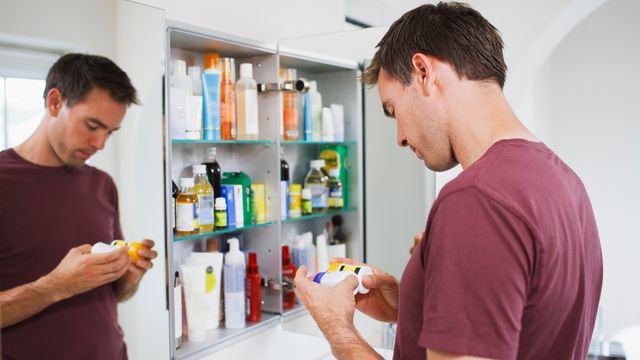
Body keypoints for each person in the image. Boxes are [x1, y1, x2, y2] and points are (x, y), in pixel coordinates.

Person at [294, 2, 602, 360]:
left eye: (393, 110)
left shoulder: (476, 199)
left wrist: (338, 330)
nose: (400, 138)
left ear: (423, 71)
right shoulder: (564, 182)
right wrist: (414, 302)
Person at [0, 53, 158, 359]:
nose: (100, 144)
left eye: (109, 132)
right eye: (92, 125)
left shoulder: (103, 185)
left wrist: (128, 278)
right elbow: (60, 286)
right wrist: (55, 286)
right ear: (55, 102)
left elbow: (115, 296)